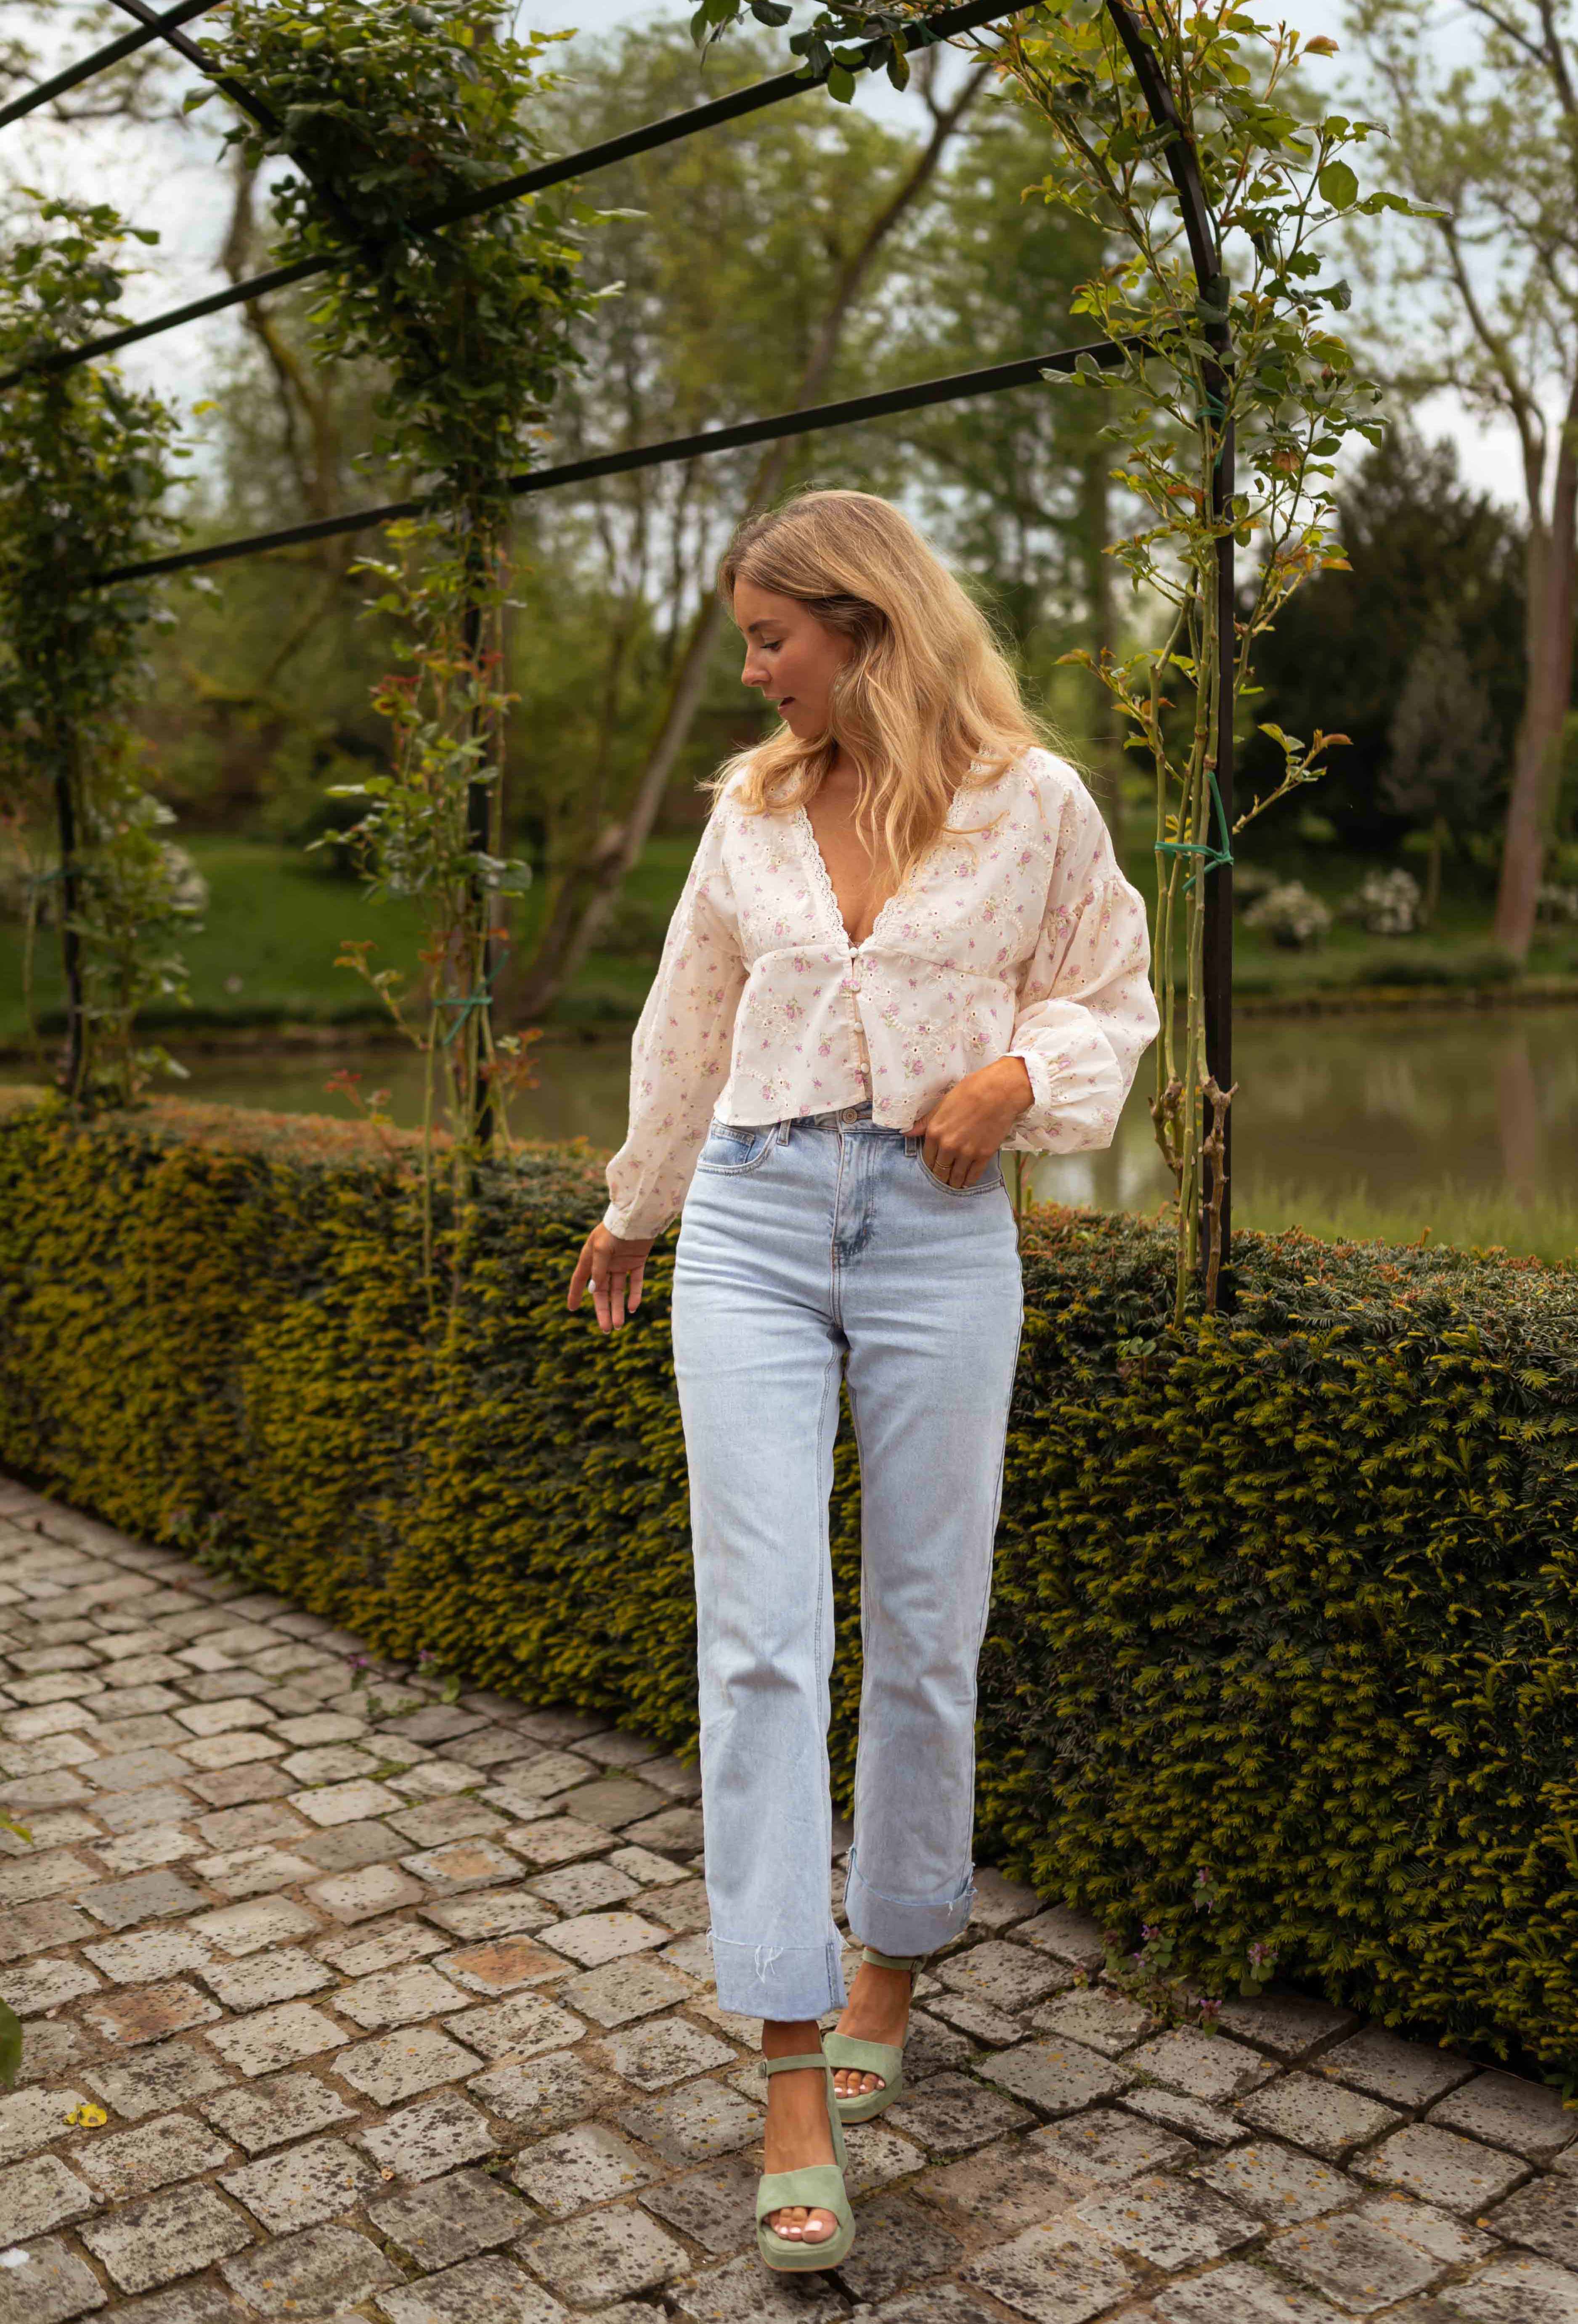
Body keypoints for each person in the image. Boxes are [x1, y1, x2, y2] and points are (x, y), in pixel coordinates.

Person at [566, 488, 1159, 2270]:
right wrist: (632, 1203)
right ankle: (786, 2063)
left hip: (933, 1227)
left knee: (927, 1614)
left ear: (870, 628)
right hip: (748, 1214)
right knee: (756, 1634)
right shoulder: (745, 807)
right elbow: (684, 1017)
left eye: (773, 637)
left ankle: (891, 1955)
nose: (756, 670)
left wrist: (1014, 1077)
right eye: (748, 639)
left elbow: (1109, 991)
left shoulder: (1028, 803)